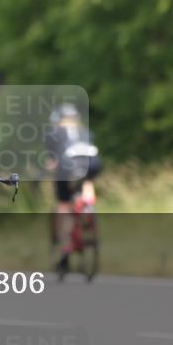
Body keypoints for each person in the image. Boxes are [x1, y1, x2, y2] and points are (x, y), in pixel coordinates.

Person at [45, 104, 101, 273]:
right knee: (87, 179)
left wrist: (49, 169)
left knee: (63, 204)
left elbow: (52, 161)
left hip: (67, 167)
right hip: (92, 164)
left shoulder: (54, 134)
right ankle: (88, 207)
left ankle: (64, 244)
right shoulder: (85, 132)